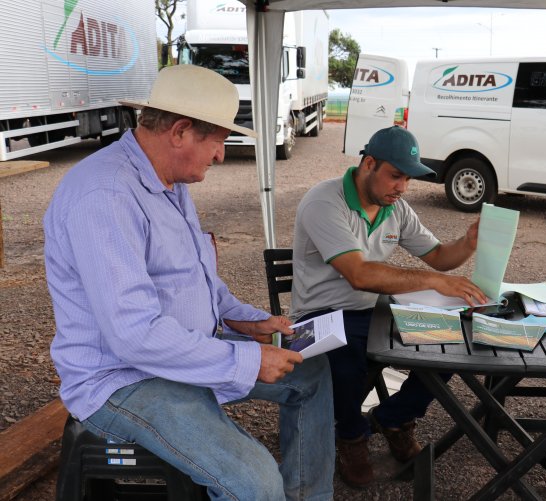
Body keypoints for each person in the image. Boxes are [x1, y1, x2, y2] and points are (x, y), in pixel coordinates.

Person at [43, 65, 334, 501]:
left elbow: (195, 279)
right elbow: (134, 335)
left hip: (180, 348)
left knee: (310, 372)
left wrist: (244, 320)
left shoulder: (168, 180)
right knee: (254, 483)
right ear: (180, 131)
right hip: (123, 379)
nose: (220, 156)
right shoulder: (106, 195)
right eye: (217, 141)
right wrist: (246, 361)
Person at [291, 125, 488, 487]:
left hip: (373, 311)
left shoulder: (394, 207)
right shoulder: (324, 201)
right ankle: (351, 436)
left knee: (450, 342)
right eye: (396, 176)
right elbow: (359, 275)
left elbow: (440, 257)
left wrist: (468, 242)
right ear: (368, 164)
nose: (403, 187)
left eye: (408, 179)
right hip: (314, 319)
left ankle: (395, 417)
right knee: (347, 354)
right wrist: (434, 282)